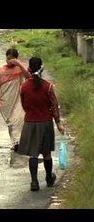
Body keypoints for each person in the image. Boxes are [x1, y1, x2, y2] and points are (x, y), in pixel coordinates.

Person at [18, 57, 65, 191]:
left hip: (30, 122)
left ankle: (34, 182)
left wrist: (31, 113)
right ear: (42, 68)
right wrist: (58, 123)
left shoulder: (24, 86)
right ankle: (49, 178)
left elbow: (24, 104)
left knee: (33, 154)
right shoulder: (48, 86)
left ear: (28, 69)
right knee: (46, 153)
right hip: (45, 123)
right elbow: (54, 106)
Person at [0, 48, 30, 151]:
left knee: (18, 119)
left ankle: (17, 142)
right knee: (10, 123)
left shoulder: (19, 69)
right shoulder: (1, 71)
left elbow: (28, 76)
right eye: (8, 59)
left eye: (12, 59)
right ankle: (14, 143)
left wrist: (19, 64)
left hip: (17, 99)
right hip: (5, 101)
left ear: (16, 59)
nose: (9, 61)